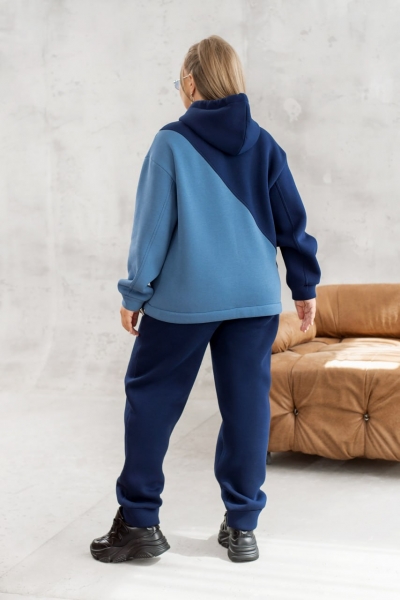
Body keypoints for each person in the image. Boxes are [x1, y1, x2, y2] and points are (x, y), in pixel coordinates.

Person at [90, 34, 321, 564]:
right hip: (255, 301)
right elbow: (292, 220)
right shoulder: (264, 143)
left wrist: (135, 293)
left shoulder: (171, 143)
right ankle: (242, 527)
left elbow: (152, 231)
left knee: (150, 399)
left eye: (179, 80)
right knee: (246, 407)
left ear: (191, 82)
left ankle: (139, 523)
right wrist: (303, 285)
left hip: (185, 301)